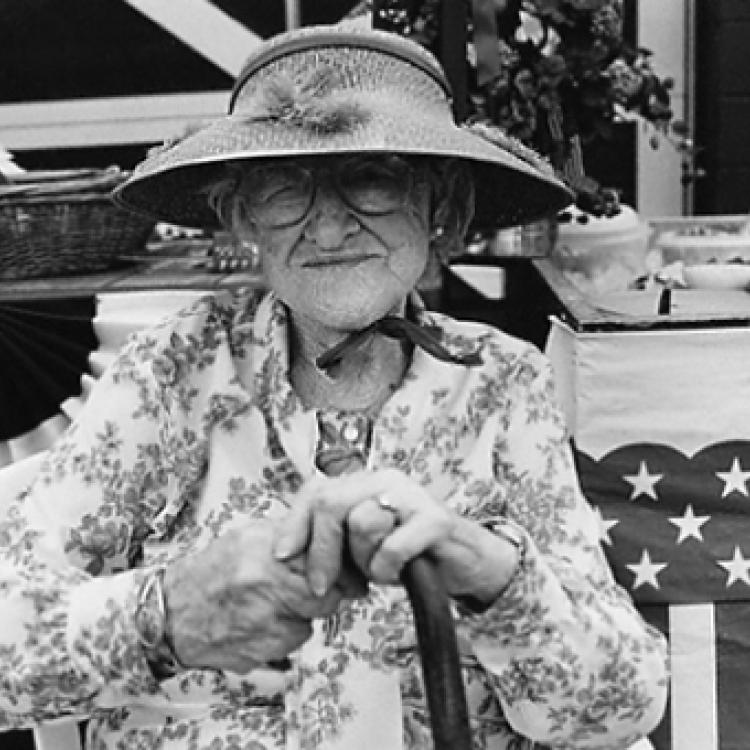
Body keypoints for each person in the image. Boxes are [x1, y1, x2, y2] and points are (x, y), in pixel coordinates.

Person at [0, 20, 667, 750]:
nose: (325, 231)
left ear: (439, 205)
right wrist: (170, 613)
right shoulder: (171, 375)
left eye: (371, 179)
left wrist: (493, 575)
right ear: (245, 215)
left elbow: (622, 709)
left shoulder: (502, 384)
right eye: (285, 189)